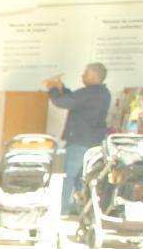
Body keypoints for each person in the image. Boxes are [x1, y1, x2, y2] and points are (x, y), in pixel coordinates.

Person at [44, 62, 111, 218]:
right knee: (81, 180)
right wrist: (62, 88)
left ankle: (61, 211)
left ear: (94, 76)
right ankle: (83, 212)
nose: (82, 76)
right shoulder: (102, 93)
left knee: (66, 176)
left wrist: (53, 87)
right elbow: (74, 99)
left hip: (79, 142)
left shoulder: (91, 93)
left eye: (85, 73)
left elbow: (64, 102)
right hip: (92, 143)